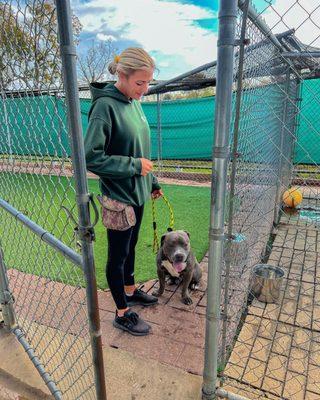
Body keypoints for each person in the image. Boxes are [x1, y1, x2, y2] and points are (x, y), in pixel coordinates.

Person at [84, 47, 163, 336]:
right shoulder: (104, 107)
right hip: (118, 197)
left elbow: (141, 149)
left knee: (129, 249)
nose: (144, 89)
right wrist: (133, 166)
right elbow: (91, 157)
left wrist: (150, 181)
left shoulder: (134, 102)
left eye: (148, 83)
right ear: (122, 75)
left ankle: (130, 290)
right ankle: (121, 312)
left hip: (139, 191)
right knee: (117, 256)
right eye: (139, 83)